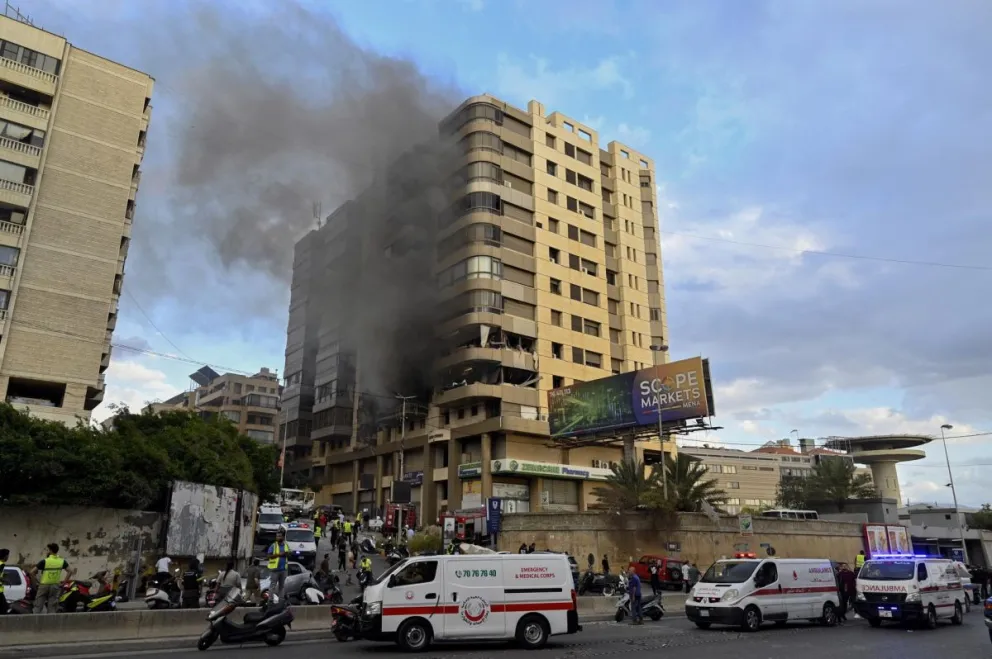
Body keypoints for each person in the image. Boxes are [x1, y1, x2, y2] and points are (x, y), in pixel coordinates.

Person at [32, 543, 71, 614]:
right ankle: (51, 624)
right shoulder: (62, 561)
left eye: (48, 550)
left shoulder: (44, 561)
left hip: (44, 585)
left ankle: (35, 623)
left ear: (50, 550)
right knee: (52, 608)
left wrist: (36, 582)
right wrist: (64, 583)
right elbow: (70, 571)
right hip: (55, 586)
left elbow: (32, 572)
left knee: (38, 606)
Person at [267, 527, 290, 597]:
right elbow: (268, 556)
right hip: (275, 570)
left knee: (282, 586)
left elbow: (288, 554)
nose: (278, 537)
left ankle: (281, 601)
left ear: (283, 537)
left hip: (283, 569)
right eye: (277, 536)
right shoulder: (273, 545)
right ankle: (270, 601)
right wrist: (279, 554)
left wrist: (287, 554)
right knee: (272, 586)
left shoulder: (286, 545)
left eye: (279, 536)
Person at [0, 548, 9, 615]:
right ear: (5, 556)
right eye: (8, 555)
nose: (8, 557)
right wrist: (5, 580)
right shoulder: (1, 564)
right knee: (4, 608)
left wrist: (4, 575)